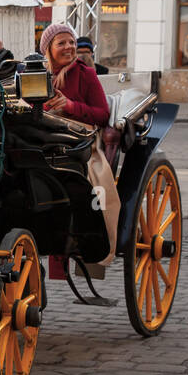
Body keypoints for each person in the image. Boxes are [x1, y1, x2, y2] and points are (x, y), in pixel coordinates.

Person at [40, 22, 118, 265]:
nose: (69, 47)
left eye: (71, 42)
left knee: (93, 181)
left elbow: (102, 115)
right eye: (61, 43)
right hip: (43, 138)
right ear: (48, 48)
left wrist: (71, 106)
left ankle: (92, 240)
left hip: (78, 140)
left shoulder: (86, 74)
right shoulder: (35, 73)